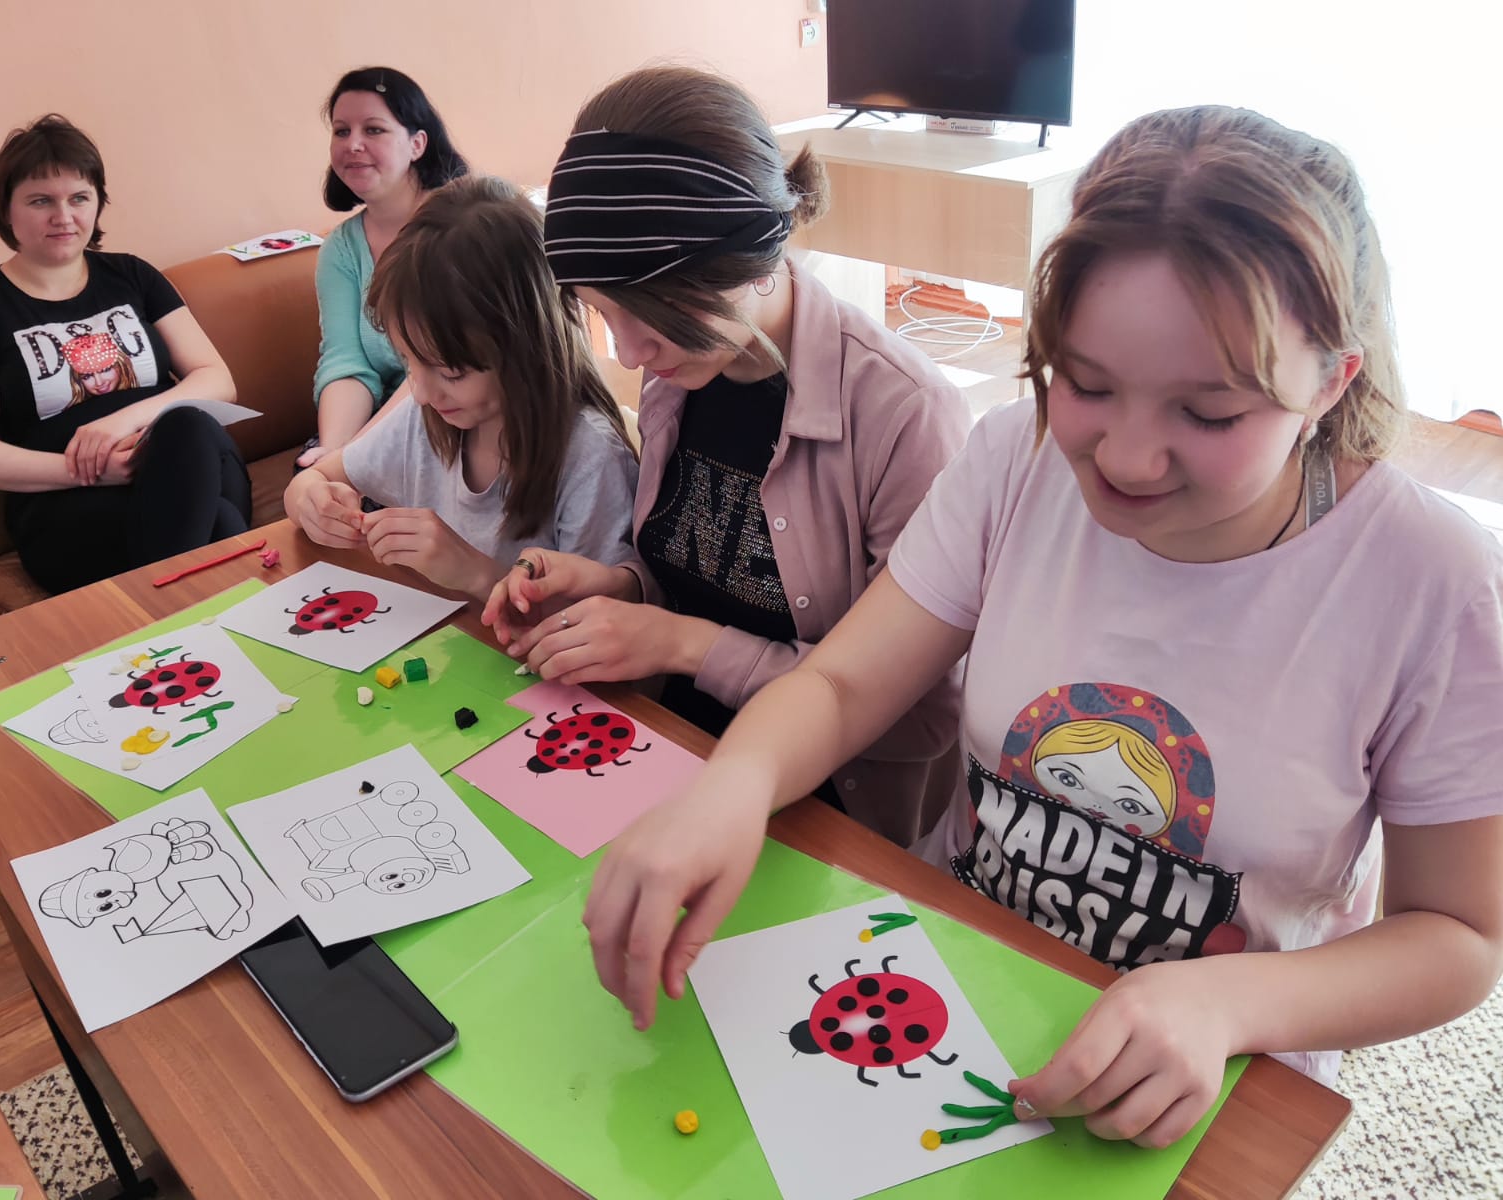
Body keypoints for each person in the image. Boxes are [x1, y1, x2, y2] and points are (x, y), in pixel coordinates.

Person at [578, 104, 1503, 1148]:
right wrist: (735, 786)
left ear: (1331, 382)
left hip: (1210, 1078)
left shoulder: (1432, 582)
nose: (1127, 459)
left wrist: (1228, 1003)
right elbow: (842, 684)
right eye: (1086, 384)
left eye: (1209, 413)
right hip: (955, 968)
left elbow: (1457, 937)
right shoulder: (1010, 458)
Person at [482, 66, 972, 847]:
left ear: (748, 260)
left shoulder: (903, 413)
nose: (628, 353)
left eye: (650, 314)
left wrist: (680, 645)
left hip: (828, 815)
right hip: (669, 753)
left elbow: (916, 717)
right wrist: (620, 586)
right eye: (603, 314)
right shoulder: (681, 372)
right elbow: (705, 576)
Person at [0, 114, 250, 595]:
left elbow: (216, 379)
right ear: (6, 210)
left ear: (98, 203)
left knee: (188, 425)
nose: (64, 216)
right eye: (41, 200)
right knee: (220, 521)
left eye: (79, 198)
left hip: (182, 462)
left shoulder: (133, 276)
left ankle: (172, 618)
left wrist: (118, 424)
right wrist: (89, 471)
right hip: (68, 502)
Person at [284, 175, 638, 601]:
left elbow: (599, 621)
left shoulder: (589, 456)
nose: (422, 394)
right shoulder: (425, 419)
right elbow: (318, 477)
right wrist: (311, 500)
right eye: (409, 363)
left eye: (451, 373)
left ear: (527, 349)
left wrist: (477, 574)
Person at [296, 66, 470, 470]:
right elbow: (345, 362)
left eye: (373, 129)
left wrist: (353, 457)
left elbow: (441, 366)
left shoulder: (463, 226)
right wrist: (334, 453)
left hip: (461, 415)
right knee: (312, 475)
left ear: (417, 144)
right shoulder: (340, 249)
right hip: (387, 427)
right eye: (341, 131)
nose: (352, 144)